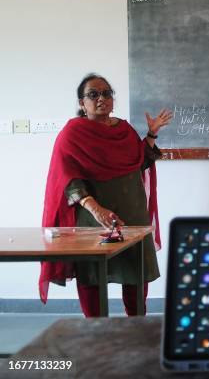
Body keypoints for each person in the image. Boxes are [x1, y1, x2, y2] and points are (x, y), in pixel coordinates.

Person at [40, 73, 172, 317]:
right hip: (94, 219)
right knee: (92, 276)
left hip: (132, 213)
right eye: (93, 94)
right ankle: (96, 330)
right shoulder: (72, 134)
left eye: (107, 93)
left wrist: (151, 135)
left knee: (136, 272)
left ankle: (136, 330)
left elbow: (139, 162)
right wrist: (96, 209)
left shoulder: (125, 130)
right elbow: (67, 179)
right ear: (82, 103)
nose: (102, 98)